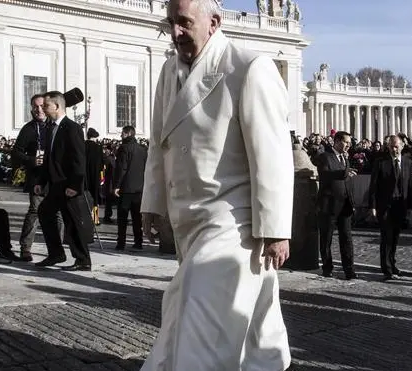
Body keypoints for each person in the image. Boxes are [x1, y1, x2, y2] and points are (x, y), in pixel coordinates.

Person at [139, 0, 293, 368]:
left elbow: (271, 153)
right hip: (189, 219)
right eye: (171, 22)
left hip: (234, 219)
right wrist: (152, 203)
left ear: (215, 21)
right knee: (242, 317)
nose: (175, 33)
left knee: (197, 308)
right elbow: (159, 143)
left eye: (184, 23)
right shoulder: (167, 71)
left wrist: (275, 230)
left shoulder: (249, 68)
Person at [34, 91, 92, 271]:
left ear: (57, 106)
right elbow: (49, 158)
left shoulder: (72, 127)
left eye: (46, 106)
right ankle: (56, 254)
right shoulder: (51, 128)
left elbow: (78, 159)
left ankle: (83, 260)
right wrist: (41, 181)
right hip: (56, 184)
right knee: (44, 212)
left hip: (69, 185)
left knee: (73, 221)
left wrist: (75, 185)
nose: (43, 109)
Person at [12, 94, 63, 261]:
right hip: (37, 176)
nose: (39, 110)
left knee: (58, 214)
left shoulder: (55, 126)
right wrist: (31, 160)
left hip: (54, 177)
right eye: (35, 106)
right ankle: (25, 247)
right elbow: (16, 153)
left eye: (42, 106)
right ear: (31, 109)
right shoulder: (28, 129)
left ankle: (57, 248)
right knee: (35, 211)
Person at [369, 135, 412, 280]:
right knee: (386, 237)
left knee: (395, 237)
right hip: (385, 205)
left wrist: (410, 206)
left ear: (402, 146)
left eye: (396, 146)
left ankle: (393, 264)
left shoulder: (407, 162)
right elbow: (373, 185)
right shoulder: (381, 162)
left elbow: (410, 185)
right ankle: (386, 268)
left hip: (400, 205)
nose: (394, 149)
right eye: (391, 146)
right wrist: (373, 206)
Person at [314, 131, 358, 279]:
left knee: (347, 238)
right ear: (337, 141)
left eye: (349, 143)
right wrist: (344, 173)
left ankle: (349, 269)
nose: (348, 145)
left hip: (345, 205)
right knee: (326, 238)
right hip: (329, 205)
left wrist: (352, 201)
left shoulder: (345, 158)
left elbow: (347, 183)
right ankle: (327, 268)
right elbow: (325, 175)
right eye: (346, 142)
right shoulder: (325, 156)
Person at [113, 125, 147, 250]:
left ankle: (121, 242)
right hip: (139, 188)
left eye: (122, 133)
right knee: (137, 218)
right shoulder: (142, 149)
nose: (120, 135)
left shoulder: (124, 148)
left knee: (122, 217)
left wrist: (116, 185)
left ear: (128, 134)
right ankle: (138, 242)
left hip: (126, 188)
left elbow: (122, 168)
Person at [84, 127, 104, 225]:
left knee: (83, 195)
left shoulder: (82, 146)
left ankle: (85, 217)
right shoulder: (98, 147)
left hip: (84, 177)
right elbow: (102, 164)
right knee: (95, 197)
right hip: (95, 176)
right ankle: (95, 219)